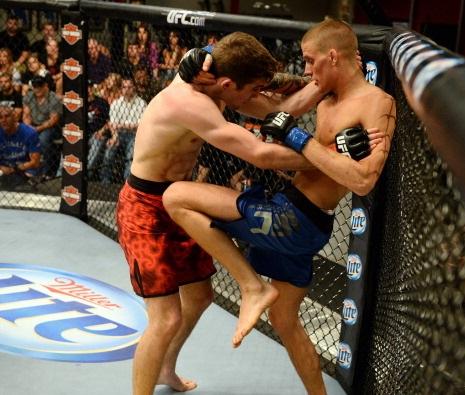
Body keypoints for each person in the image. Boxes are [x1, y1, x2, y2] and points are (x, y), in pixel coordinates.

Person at [162, 19, 395, 395]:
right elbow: (270, 103)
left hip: (294, 221)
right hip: (299, 213)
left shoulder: (378, 104)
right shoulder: (324, 94)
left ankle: (250, 286)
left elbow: (363, 180)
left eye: (309, 60)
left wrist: (300, 140)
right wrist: (204, 60)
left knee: (175, 196)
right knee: (284, 318)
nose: (305, 69)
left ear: (332, 56)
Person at [116, 32, 325, 395]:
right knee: (165, 319)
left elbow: (277, 109)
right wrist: (331, 162)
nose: (256, 97)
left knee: (199, 297)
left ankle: (166, 368)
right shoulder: (191, 103)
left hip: (182, 201)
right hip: (145, 208)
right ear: (228, 84)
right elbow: (259, 155)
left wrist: (324, 83)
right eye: (252, 90)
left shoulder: (219, 70)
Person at [102, 78, 147, 184]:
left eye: (129, 87)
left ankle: (126, 183)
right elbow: (112, 124)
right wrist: (114, 136)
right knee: (109, 151)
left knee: (130, 156)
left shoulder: (141, 103)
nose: (127, 89)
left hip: (135, 135)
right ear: (121, 89)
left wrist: (122, 125)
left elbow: (140, 126)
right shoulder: (116, 103)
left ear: (134, 88)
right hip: (118, 134)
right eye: (124, 87)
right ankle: (104, 181)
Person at [22, 75, 62, 178]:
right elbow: (26, 115)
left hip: (51, 127)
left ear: (46, 86)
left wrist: (36, 130)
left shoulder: (54, 98)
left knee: (43, 140)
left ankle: (47, 172)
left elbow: (53, 120)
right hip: (34, 125)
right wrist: (28, 128)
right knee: (22, 135)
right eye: (35, 86)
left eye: (40, 86)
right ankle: (26, 169)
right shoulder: (29, 96)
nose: (37, 88)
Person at [0, 104, 41, 189]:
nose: (3, 120)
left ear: (15, 117)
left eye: (7, 116)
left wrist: (14, 169)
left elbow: (35, 162)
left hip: (23, 169)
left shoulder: (29, 133)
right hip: (4, 168)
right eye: (0, 117)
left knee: (20, 186)